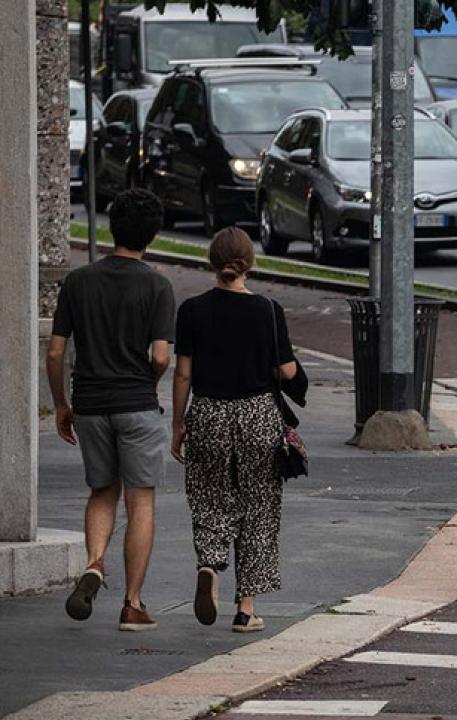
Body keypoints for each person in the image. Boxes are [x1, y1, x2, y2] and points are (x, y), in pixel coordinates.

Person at [49, 188, 175, 631]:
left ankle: (95, 562)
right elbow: (161, 356)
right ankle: (133, 604)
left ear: (111, 227)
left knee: (102, 490)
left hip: (89, 402)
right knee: (140, 501)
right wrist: (148, 383)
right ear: (152, 235)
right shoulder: (157, 285)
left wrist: (62, 403)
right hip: (137, 403)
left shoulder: (79, 282)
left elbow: (56, 350)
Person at [171, 228, 298, 633]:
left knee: (209, 496)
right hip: (258, 414)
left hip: (208, 412)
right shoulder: (267, 310)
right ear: (250, 262)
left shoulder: (191, 310)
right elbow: (286, 371)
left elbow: (183, 373)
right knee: (259, 509)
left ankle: (209, 563)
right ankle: (246, 610)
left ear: (212, 261)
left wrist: (179, 423)